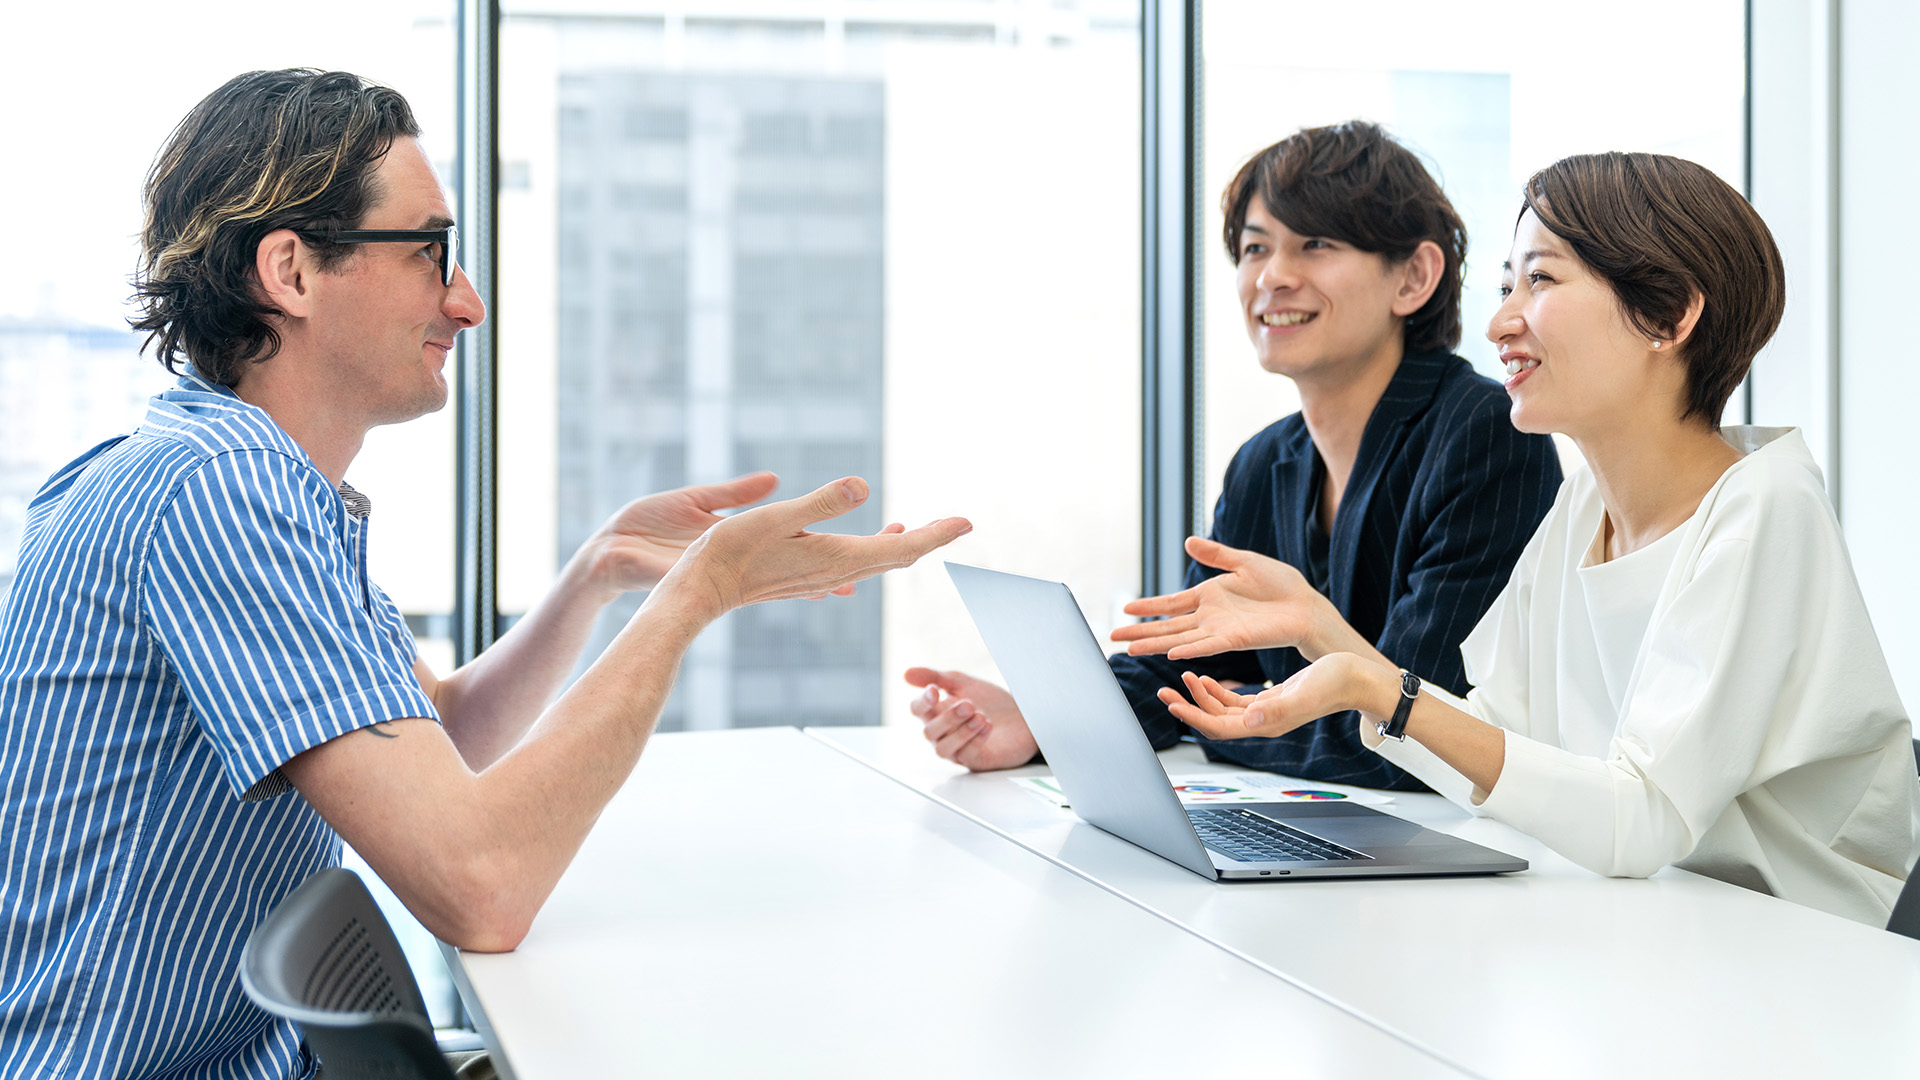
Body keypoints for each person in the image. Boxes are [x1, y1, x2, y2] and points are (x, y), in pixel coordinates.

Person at [0, 69, 969, 1079]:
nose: (466, 303)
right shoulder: (221, 496)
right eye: (429, 254)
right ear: (289, 271)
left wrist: (595, 577)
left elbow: (442, 737)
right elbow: (483, 886)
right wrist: (699, 594)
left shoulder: (236, 478)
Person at [1162, 151, 1919, 926]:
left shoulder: (1765, 506)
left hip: (1806, 952)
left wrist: (1371, 683)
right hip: (1652, 925)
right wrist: (1324, 634)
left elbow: (1642, 817)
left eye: (1541, 280)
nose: (1498, 323)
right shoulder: (1585, 502)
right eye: (1503, 286)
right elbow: (1488, 738)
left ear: (1668, 315)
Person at [908, 122, 1561, 788]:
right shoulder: (1266, 460)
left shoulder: (1487, 433)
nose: (1272, 277)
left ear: (1414, 277)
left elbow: (1420, 732)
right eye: (1255, 248)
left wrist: (1216, 720)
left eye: (1315, 244)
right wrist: (1042, 721)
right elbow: (1181, 670)